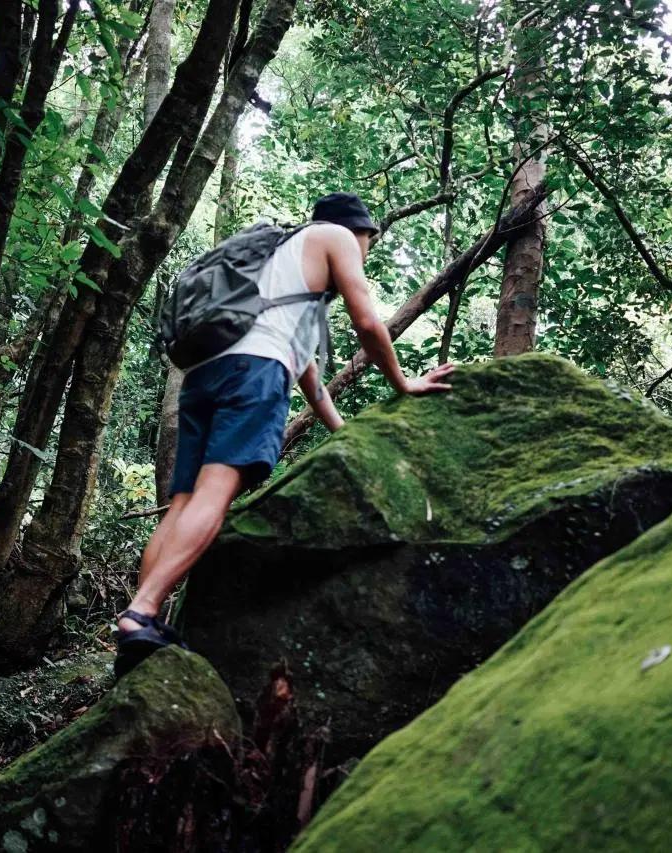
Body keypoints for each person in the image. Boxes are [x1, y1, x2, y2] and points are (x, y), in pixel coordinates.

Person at [114, 192, 454, 675]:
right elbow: (367, 322)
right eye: (369, 242)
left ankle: (144, 625)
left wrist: (347, 435)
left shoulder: (280, 267)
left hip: (205, 375)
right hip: (253, 374)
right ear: (359, 232)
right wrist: (404, 382)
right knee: (214, 494)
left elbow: (313, 386)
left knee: (185, 502)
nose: (364, 252)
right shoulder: (335, 236)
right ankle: (142, 611)